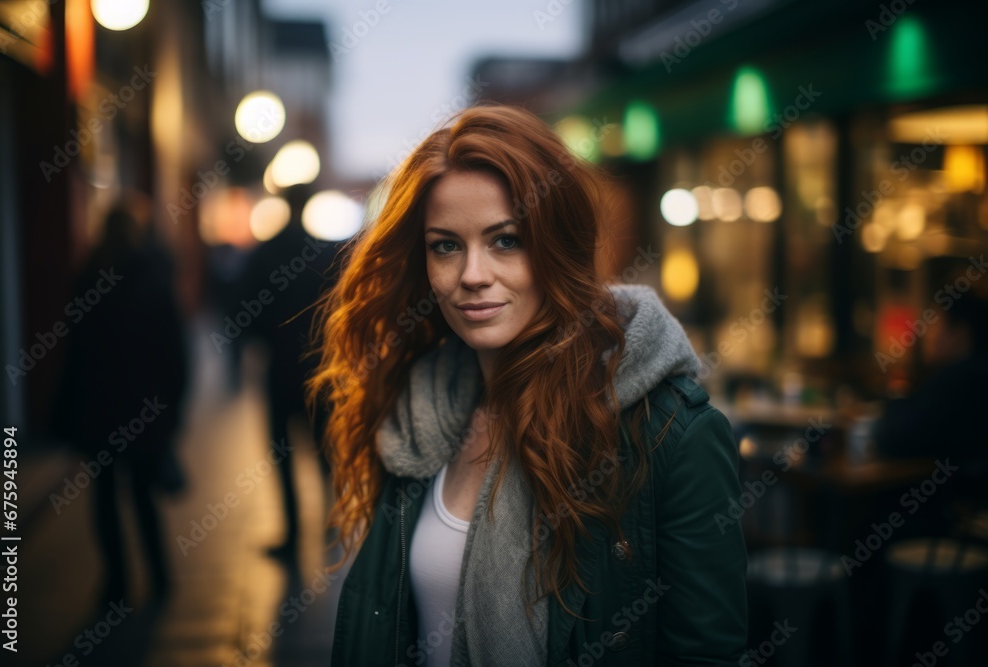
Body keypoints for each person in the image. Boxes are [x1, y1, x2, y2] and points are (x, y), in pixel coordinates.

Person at [307, 105, 747, 665]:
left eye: (506, 241)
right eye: (446, 245)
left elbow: (707, 655)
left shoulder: (671, 435)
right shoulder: (417, 416)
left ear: (557, 246)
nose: (472, 274)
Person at [53, 201, 190, 606]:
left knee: (106, 497)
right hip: (143, 410)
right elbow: (175, 354)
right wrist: (173, 407)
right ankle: (161, 577)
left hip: (100, 410)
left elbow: (74, 352)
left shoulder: (88, 279)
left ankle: (116, 584)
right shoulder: (154, 280)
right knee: (145, 495)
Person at [238, 183, 343, 561]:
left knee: (282, 452)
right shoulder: (326, 253)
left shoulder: (264, 253)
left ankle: (292, 533)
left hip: (280, 369)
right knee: (325, 451)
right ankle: (334, 522)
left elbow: (245, 313)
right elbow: (341, 309)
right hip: (321, 368)